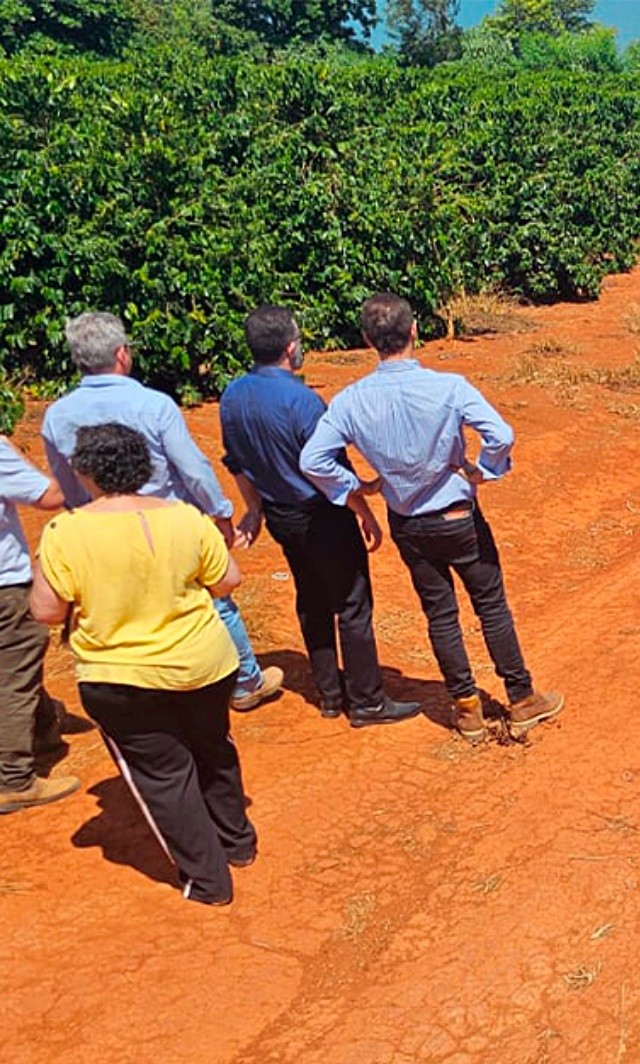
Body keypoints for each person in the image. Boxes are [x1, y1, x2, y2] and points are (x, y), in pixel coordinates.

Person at [299, 294, 562, 744]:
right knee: (491, 605)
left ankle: (466, 710)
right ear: (414, 330)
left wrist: (357, 486)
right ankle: (520, 699)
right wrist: (486, 468)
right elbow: (501, 433)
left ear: (367, 340)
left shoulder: (349, 401)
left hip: (409, 523)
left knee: (440, 614)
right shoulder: (450, 387)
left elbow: (313, 460)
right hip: (459, 516)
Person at [30, 424, 256, 904]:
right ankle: (239, 843)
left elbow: (48, 611)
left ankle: (209, 883)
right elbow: (228, 581)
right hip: (205, 666)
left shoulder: (65, 533)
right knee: (213, 746)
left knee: (163, 776)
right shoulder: (186, 518)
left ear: (85, 472)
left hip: (121, 679)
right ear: (144, 466)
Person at [41, 313, 284, 713]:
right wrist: (220, 513)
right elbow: (192, 467)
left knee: (123, 602)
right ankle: (245, 681)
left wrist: (84, 516)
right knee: (214, 598)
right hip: (168, 519)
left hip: (98, 525)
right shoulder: (153, 404)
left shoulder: (57, 415)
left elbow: (65, 481)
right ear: (122, 354)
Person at [219, 306, 420, 728]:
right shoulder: (303, 401)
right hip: (321, 515)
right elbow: (329, 468)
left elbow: (235, 461)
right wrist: (363, 506)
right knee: (352, 602)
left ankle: (330, 692)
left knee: (310, 597)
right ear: (291, 347)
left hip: (278, 515)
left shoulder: (232, 395)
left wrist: (254, 507)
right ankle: (366, 701)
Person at [0, 437, 73, 814]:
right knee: (16, 669)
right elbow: (50, 497)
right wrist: (16, 453)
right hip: (4, 586)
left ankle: (44, 730)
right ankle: (14, 780)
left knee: (19, 664)